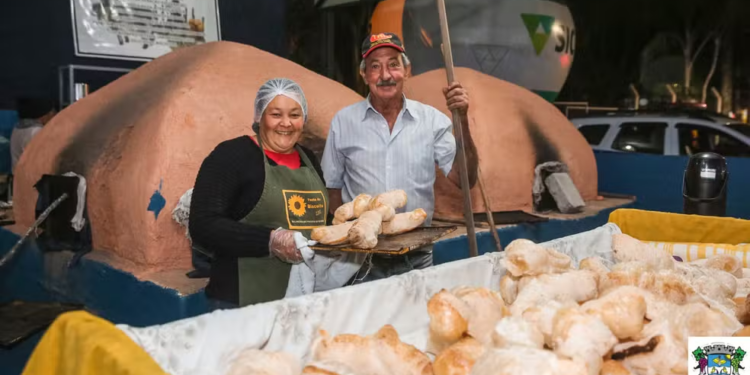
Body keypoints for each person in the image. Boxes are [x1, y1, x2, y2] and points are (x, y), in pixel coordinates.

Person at [321, 32, 479, 283]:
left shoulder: (432, 120)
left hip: (417, 258)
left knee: (416, 321)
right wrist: (349, 240)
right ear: (364, 75)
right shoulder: (344, 122)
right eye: (375, 67)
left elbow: (465, 178)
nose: (385, 75)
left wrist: (461, 121)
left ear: (407, 70)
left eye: (393, 64)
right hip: (361, 261)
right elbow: (333, 190)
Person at [189, 78, 359, 308]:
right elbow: (203, 225)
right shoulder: (232, 156)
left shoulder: (308, 159)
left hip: (303, 299)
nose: (286, 123)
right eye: (276, 114)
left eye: (295, 115)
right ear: (260, 117)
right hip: (243, 301)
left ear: (304, 120)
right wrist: (270, 241)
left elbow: (315, 221)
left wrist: (345, 232)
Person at [10, 97, 57, 173]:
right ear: (43, 116)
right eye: (52, 113)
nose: (54, 116)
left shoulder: (17, 128)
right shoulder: (37, 132)